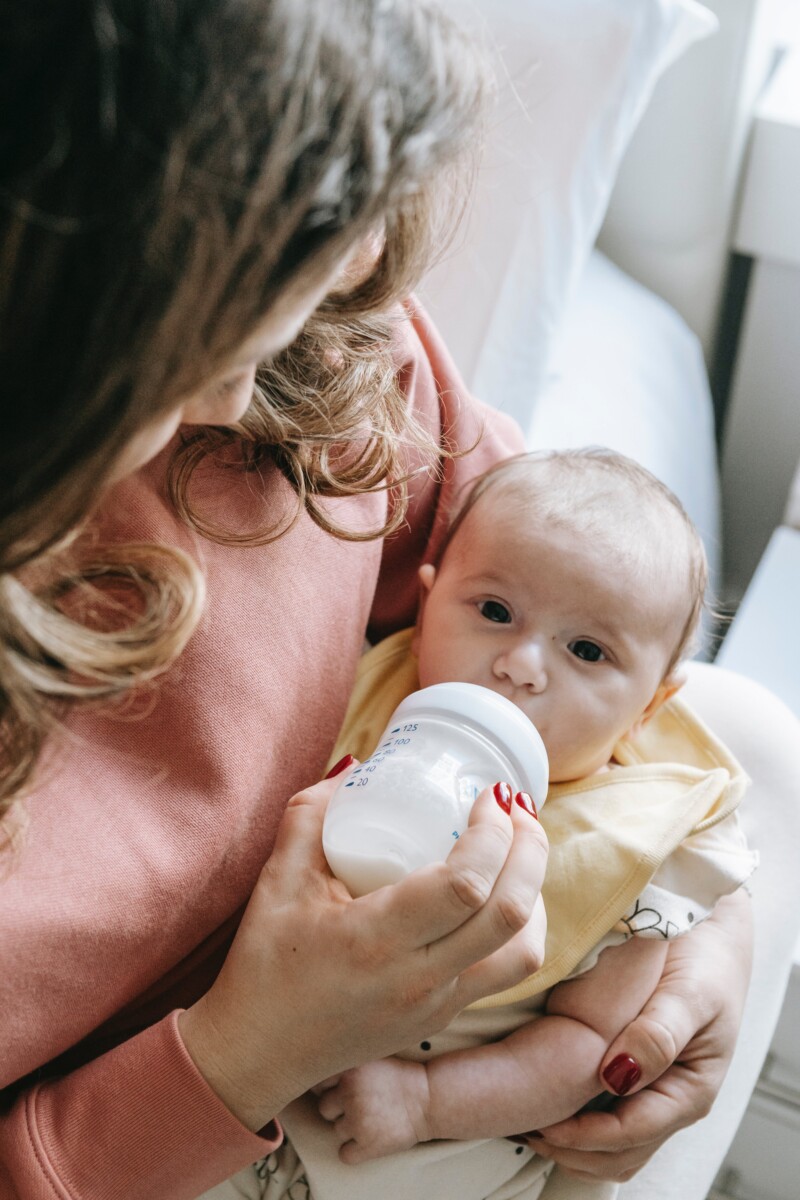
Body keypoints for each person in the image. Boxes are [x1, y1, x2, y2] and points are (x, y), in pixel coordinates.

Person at [0, 2, 771, 1199]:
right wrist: (241, 1056)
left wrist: (685, 933)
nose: (244, 390)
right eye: (212, 325)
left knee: (763, 738)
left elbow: (584, 603)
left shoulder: (323, 349)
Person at [240, 449, 753, 1200]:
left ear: (647, 707)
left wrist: (426, 1101)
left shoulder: (630, 849)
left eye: (587, 650)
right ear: (425, 608)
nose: (521, 665)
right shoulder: (357, 694)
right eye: (494, 612)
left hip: (425, 1155)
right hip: (250, 1098)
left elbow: (585, 1045)